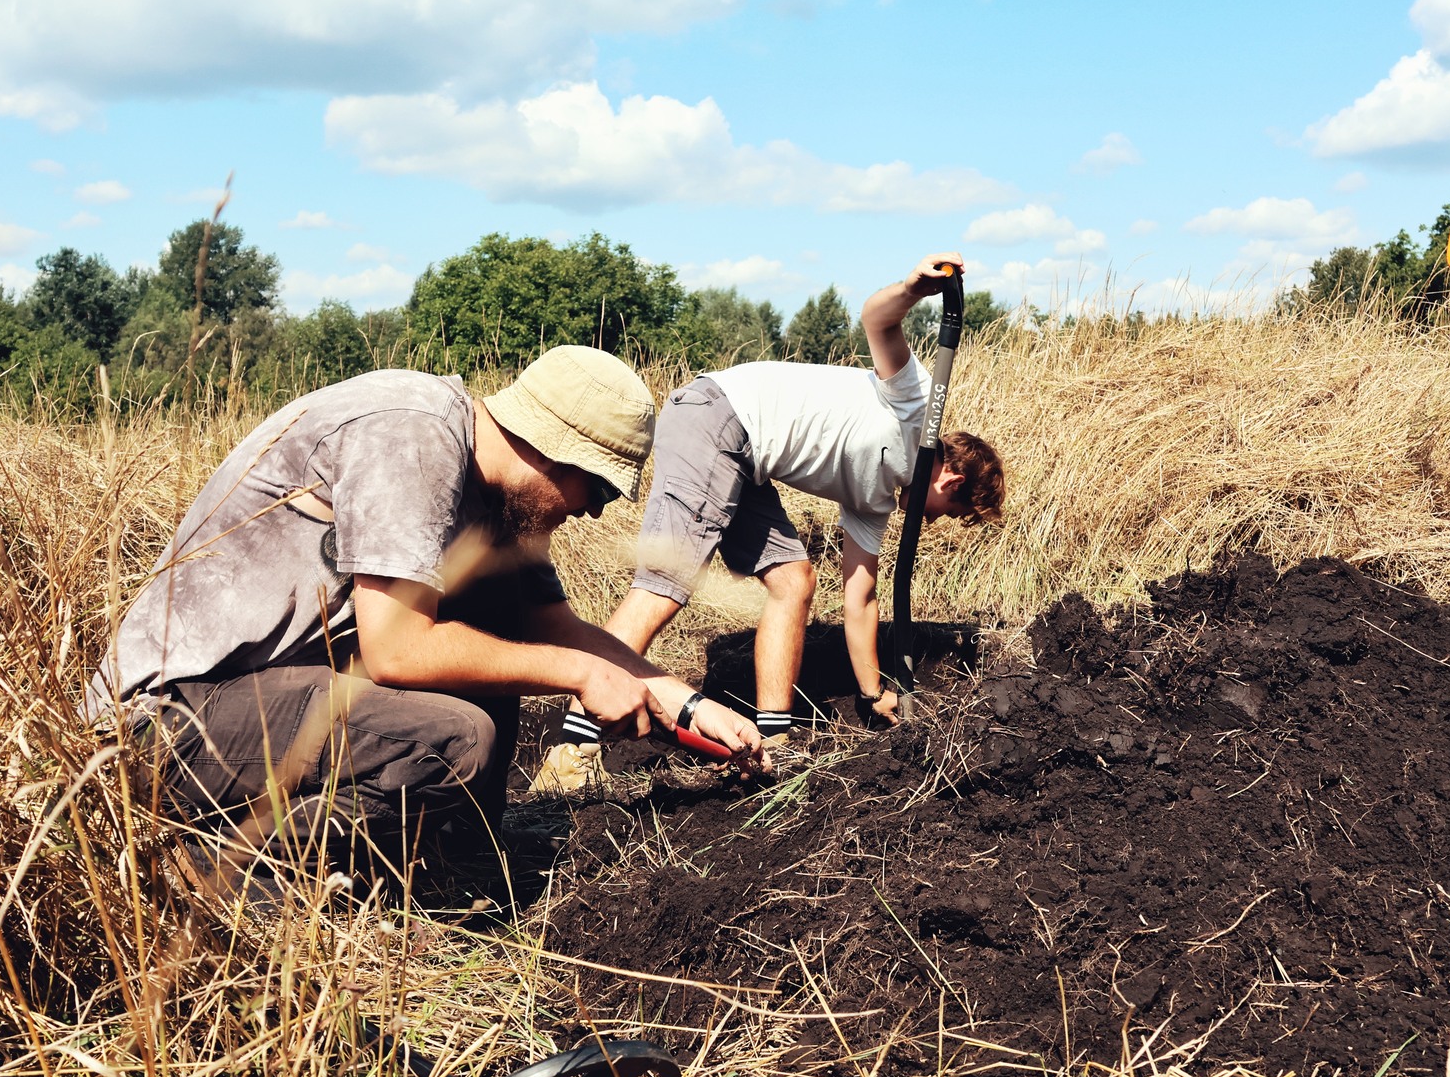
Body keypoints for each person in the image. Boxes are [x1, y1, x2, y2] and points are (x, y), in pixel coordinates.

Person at [84, 345, 766, 905]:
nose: (593, 512)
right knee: (455, 738)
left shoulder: (498, 502)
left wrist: (684, 702)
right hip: (160, 723)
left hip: (258, 703)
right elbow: (398, 651)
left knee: (493, 619)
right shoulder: (412, 434)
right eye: (600, 488)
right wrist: (581, 676)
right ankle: (214, 872)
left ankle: (444, 856)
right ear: (552, 450)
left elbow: (554, 628)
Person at [535, 253, 1005, 793]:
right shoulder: (914, 403)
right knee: (666, 583)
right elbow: (877, 319)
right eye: (955, 514)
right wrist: (913, 288)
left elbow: (860, 600)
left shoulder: (875, 501)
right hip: (718, 416)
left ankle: (773, 742)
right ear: (951, 483)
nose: (942, 521)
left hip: (749, 459)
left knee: (793, 581)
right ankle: (572, 751)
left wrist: (873, 693)